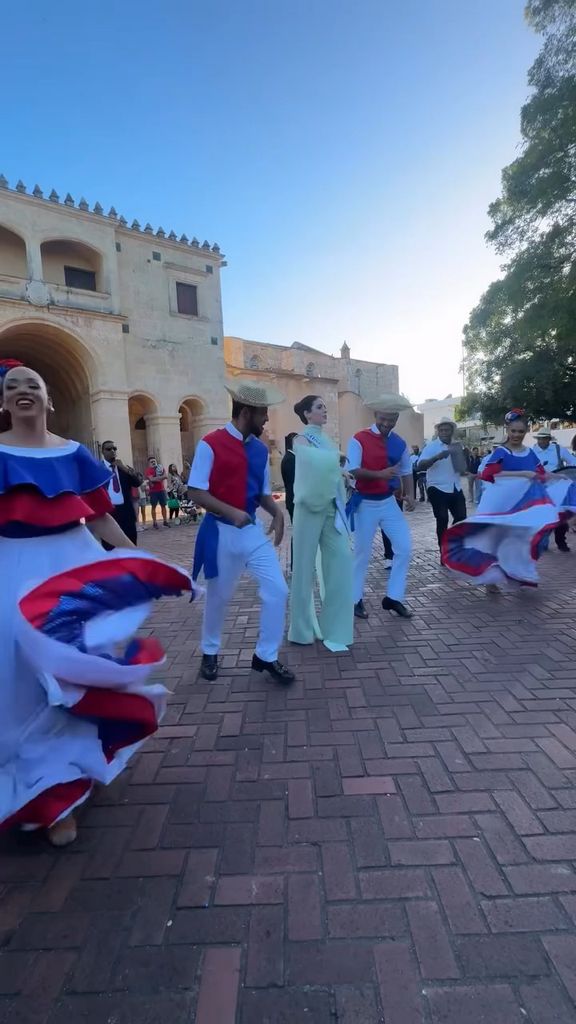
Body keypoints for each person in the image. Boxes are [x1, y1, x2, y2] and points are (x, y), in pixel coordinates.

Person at [0, 360, 194, 846]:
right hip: (10, 567)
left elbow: (101, 517)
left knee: (73, 675)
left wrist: (137, 558)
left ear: (48, 400)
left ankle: (63, 786)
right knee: (16, 681)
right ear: (2, 402)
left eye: (32, 385)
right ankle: (32, 787)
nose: (23, 391)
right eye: (12, 386)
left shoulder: (74, 453)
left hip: (72, 566)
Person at [188, 379, 294, 685]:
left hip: (250, 530)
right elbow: (195, 491)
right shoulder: (210, 443)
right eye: (263, 413)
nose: (267, 418)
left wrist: (277, 512)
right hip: (219, 532)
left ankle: (266, 656)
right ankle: (209, 651)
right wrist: (230, 511)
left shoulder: (260, 450)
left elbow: (262, 493)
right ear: (246, 412)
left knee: (278, 589)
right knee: (218, 597)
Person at [442, 409, 575, 589]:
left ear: (526, 432)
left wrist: (559, 477)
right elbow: (488, 474)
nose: (516, 435)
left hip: (520, 502)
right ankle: (490, 576)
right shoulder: (501, 452)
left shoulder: (529, 452)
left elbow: (541, 473)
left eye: (521, 431)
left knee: (517, 538)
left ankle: (515, 572)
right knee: (492, 538)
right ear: (507, 430)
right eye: (513, 431)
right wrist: (523, 474)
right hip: (498, 500)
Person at [288, 396, 354, 652]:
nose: (324, 410)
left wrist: (343, 473)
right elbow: (311, 464)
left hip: (331, 509)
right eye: (319, 407)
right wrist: (336, 461)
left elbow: (329, 466)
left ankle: (334, 628)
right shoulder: (301, 439)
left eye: (325, 407)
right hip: (308, 509)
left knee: (341, 561)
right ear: (307, 414)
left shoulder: (326, 439)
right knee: (303, 569)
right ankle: (301, 630)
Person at [346, 393, 415, 619]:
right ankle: (354, 600)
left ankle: (393, 598)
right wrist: (380, 474)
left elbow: (406, 470)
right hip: (364, 502)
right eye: (383, 418)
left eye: (391, 419)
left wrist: (410, 495)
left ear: (397, 418)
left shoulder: (400, 443)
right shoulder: (359, 438)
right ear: (376, 415)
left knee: (404, 547)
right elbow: (352, 470)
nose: (387, 423)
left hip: (388, 502)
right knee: (361, 553)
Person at [417, 417, 467, 559]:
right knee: (442, 518)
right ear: (438, 431)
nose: (444, 432)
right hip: (437, 487)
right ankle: (444, 552)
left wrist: (464, 465)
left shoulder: (457, 446)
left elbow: (461, 469)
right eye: (441, 430)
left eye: (447, 430)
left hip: (455, 487)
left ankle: (453, 544)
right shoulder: (431, 446)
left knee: (462, 518)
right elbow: (420, 466)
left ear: (452, 431)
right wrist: (437, 457)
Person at [532, 428, 576, 553]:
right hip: (541, 488)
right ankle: (542, 542)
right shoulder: (532, 452)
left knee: (561, 515)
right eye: (540, 438)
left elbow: (573, 462)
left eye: (544, 438)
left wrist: (567, 473)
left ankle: (561, 541)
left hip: (559, 487)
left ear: (549, 439)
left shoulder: (558, 449)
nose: (542, 441)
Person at [101, 440, 142, 545]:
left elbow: (137, 483)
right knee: (110, 545)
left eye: (114, 449)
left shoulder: (123, 468)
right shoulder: (98, 468)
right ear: (103, 452)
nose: (112, 451)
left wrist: (124, 469)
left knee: (130, 543)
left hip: (126, 511)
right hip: (108, 512)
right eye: (109, 449)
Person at [145, 456, 170, 529]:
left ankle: (165, 521)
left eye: (154, 461)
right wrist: (159, 478)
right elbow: (151, 479)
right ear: (149, 463)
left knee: (163, 506)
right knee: (153, 506)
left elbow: (166, 476)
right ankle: (154, 522)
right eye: (151, 462)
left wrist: (156, 479)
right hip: (153, 491)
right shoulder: (148, 470)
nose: (153, 462)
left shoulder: (160, 468)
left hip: (162, 490)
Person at [280, 432, 298, 523]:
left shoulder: (292, 457)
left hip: (294, 499)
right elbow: (294, 481)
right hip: (294, 500)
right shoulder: (290, 459)